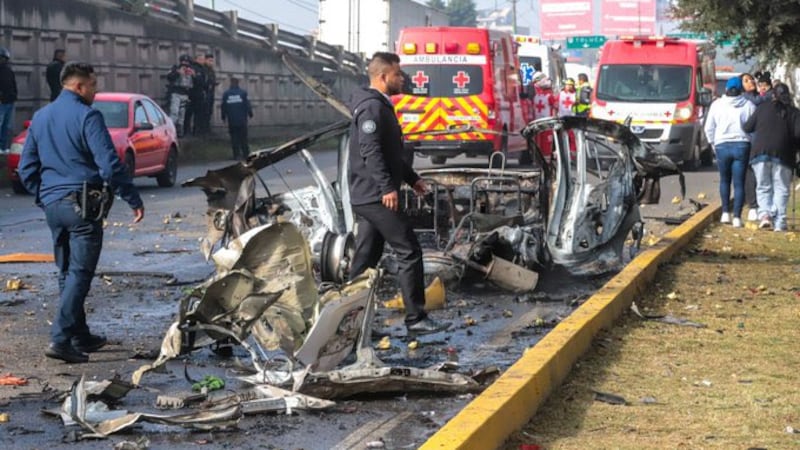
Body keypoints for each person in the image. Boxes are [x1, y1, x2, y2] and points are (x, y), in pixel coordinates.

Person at [17, 62, 145, 363]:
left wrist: (44, 196)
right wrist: (132, 198)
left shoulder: (40, 117)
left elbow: (27, 168)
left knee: (66, 272)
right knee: (80, 273)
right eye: (93, 84)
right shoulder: (88, 116)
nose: (96, 89)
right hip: (82, 205)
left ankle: (79, 334)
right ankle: (60, 339)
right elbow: (110, 165)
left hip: (53, 205)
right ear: (78, 86)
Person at [347, 52, 449, 336]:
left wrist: (412, 178)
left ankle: (352, 324)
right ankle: (416, 319)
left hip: (369, 195)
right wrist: (387, 188)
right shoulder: (371, 108)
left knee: (365, 260)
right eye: (397, 75)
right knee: (409, 250)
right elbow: (371, 151)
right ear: (382, 77)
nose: (402, 79)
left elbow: (391, 154)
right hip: (374, 196)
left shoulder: (380, 105)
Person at [743, 83, 800, 231]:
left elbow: (748, 127)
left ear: (773, 94)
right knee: (781, 187)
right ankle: (780, 222)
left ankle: (765, 215)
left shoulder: (762, 107)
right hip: (784, 154)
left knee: (763, 186)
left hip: (760, 151)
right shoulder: (794, 112)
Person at [704, 77, 755, 228]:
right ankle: (737, 217)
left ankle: (725, 213)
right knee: (739, 183)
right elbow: (753, 129)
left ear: (726, 89)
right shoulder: (749, 105)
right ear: (741, 90)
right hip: (742, 145)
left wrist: (713, 143)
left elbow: (709, 128)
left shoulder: (717, 105)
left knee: (724, 180)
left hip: (722, 146)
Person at [740, 72, 760, 221]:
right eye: (746, 81)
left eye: (751, 79)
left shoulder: (759, 97)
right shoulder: (747, 101)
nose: (751, 82)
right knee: (750, 173)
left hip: (761, 140)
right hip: (750, 141)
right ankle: (753, 204)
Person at [221, 77, 253, 160]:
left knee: (234, 138)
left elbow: (223, 107)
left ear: (230, 83)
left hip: (232, 120)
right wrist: (250, 114)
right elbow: (247, 105)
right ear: (238, 83)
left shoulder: (226, 94)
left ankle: (236, 155)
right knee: (243, 138)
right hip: (242, 120)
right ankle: (246, 154)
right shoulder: (243, 93)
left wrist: (223, 117)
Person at [166, 54, 195, 138]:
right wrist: (178, 72)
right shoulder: (175, 68)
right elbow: (169, 77)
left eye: (187, 62)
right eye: (183, 61)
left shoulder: (191, 70)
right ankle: (170, 131)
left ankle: (179, 133)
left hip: (185, 94)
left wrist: (194, 75)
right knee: (174, 113)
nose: (185, 64)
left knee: (182, 115)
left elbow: (195, 83)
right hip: (176, 93)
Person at [184, 53, 207, 136]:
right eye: (201, 59)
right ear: (196, 59)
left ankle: (195, 131)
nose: (203, 61)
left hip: (198, 94)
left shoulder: (203, 69)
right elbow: (198, 81)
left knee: (197, 114)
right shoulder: (194, 68)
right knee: (190, 113)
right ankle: (189, 131)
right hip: (193, 93)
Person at [0, 47, 17, 152]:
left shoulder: (9, 71)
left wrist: (14, 95)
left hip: (9, 100)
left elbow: (13, 84)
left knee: (7, 125)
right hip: (2, 101)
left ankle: (4, 146)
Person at [203, 53, 218, 133]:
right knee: (205, 111)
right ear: (205, 60)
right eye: (210, 61)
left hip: (211, 92)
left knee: (209, 111)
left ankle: (207, 128)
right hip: (205, 93)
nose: (211, 62)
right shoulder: (203, 69)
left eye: (212, 61)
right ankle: (204, 129)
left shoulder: (211, 71)